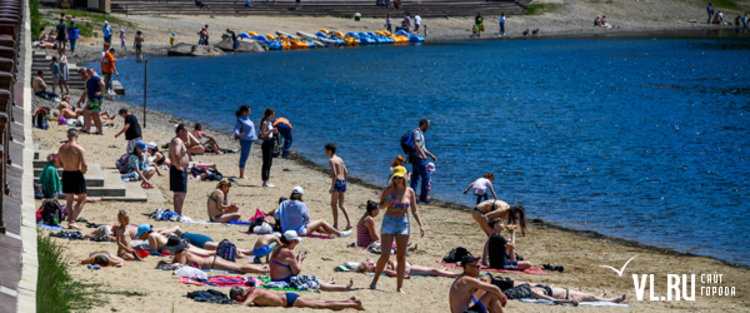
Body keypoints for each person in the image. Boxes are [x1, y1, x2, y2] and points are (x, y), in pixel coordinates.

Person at [369, 166, 425, 293]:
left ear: (405, 177)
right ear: (393, 178)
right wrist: (386, 204)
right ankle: (374, 281)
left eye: (401, 177)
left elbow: (414, 210)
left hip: (403, 223)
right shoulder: (388, 190)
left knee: (401, 257)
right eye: (396, 177)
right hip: (388, 221)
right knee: (385, 255)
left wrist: (421, 225)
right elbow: (381, 206)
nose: (398, 180)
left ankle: (399, 287)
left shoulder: (410, 191)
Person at [269, 230, 354, 291]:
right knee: (313, 281)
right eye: (296, 242)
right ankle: (343, 287)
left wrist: (298, 259)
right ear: (292, 241)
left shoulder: (277, 248)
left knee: (310, 279)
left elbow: (286, 267)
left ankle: (327, 284)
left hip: (274, 280)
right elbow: (296, 271)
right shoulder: (289, 253)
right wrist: (299, 259)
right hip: (286, 282)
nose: (296, 244)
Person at [276, 186, 352, 237]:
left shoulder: (283, 203)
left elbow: (277, 216)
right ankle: (340, 234)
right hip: (299, 231)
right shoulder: (301, 205)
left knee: (314, 222)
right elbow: (306, 219)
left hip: (286, 230)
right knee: (321, 221)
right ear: (300, 195)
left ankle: (330, 233)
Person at [158, 240, 269, 273]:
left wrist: (167, 266)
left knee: (239, 267)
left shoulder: (181, 254)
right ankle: (262, 269)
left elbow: (179, 267)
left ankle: (262, 270)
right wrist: (165, 263)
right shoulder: (180, 253)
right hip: (212, 260)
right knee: (238, 266)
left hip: (212, 263)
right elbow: (173, 263)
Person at [230, 287, 364, 310]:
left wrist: (235, 303)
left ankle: (353, 305)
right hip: (288, 297)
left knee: (321, 305)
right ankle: (348, 300)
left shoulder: (253, 294)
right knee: (319, 302)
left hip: (289, 300)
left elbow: (244, 306)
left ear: (240, 296)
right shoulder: (250, 290)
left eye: (238, 299)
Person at [57, 129, 87, 230]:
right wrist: (84, 171)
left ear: (67, 136)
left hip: (66, 173)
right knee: (82, 198)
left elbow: (58, 164)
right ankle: (72, 221)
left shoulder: (61, 148)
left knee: (69, 200)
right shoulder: (79, 149)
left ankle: (70, 221)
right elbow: (84, 164)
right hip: (76, 174)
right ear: (77, 136)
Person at [409, 119, 438, 203]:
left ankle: (413, 197)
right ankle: (423, 197)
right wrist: (423, 155)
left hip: (415, 157)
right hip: (418, 157)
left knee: (415, 177)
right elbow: (416, 144)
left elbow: (423, 148)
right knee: (426, 177)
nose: (428, 128)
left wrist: (431, 155)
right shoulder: (417, 132)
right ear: (424, 124)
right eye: (428, 126)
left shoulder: (418, 132)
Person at [325, 143, 351, 230]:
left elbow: (334, 174)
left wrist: (332, 187)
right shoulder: (340, 159)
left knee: (333, 204)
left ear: (330, 151)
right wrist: (345, 182)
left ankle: (336, 225)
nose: (325, 152)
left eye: (326, 151)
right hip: (343, 182)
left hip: (337, 182)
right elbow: (346, 172)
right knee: (342, 205)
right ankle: (349, 223)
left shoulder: (331, 160)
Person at [357, 258, 459, 278]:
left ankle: (443, 271)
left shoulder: (379, 264)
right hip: (409, 270)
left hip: (409, 266)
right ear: (369, 266)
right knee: (434, 270)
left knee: (431, 270)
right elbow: (391, 273)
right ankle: (456, 274)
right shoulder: (378, 268)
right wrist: (404, 275)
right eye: (367, 261)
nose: (368, 259)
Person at [76, 68, 106, 135]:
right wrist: (82, 99)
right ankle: (99, 131)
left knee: (86, 112)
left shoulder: (95, 78)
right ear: (86, 73)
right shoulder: (89, 81)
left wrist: (101, 93)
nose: (90, 73)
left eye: (91, 72)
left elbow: (103, 84)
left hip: (95, 99)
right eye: (89, 72)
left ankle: (88, 129)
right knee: (96, 115)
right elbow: (86, 91)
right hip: (93, 99)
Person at [169, 124, 190, 216]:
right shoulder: (178, 141)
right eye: (186, 131)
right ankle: (179, 213)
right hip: (178, 169)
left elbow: (170, 154)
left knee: (177, 193)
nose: (187, 133)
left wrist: (174, 163)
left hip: (175, 168)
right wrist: (178, 165)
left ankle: (176, 212)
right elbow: (177, 153)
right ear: (181, 131)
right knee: (181, 192)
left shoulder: (174, 140)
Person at [234, 105, 256, 180]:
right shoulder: (241, 120)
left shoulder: (247, 119)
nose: (250, 112)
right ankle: (242, 175)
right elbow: (236, 129)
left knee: (245, 156)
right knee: (244, 157)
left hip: (249, 140)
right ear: (244, 112)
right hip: (245, 140)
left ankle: (242, 174)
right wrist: (238, 134)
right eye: (249, 111)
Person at [259, 108, 278, 188]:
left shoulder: (270, 122)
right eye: (273, 114)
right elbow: (263, 135)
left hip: (270, 142)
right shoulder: (265, 123)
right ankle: (264, 181)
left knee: (269, 162)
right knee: (266, 162)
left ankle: (267, 180)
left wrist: (274, 132)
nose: (273, 116)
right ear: (269, 114)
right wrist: (271, 130)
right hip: (266, 142)